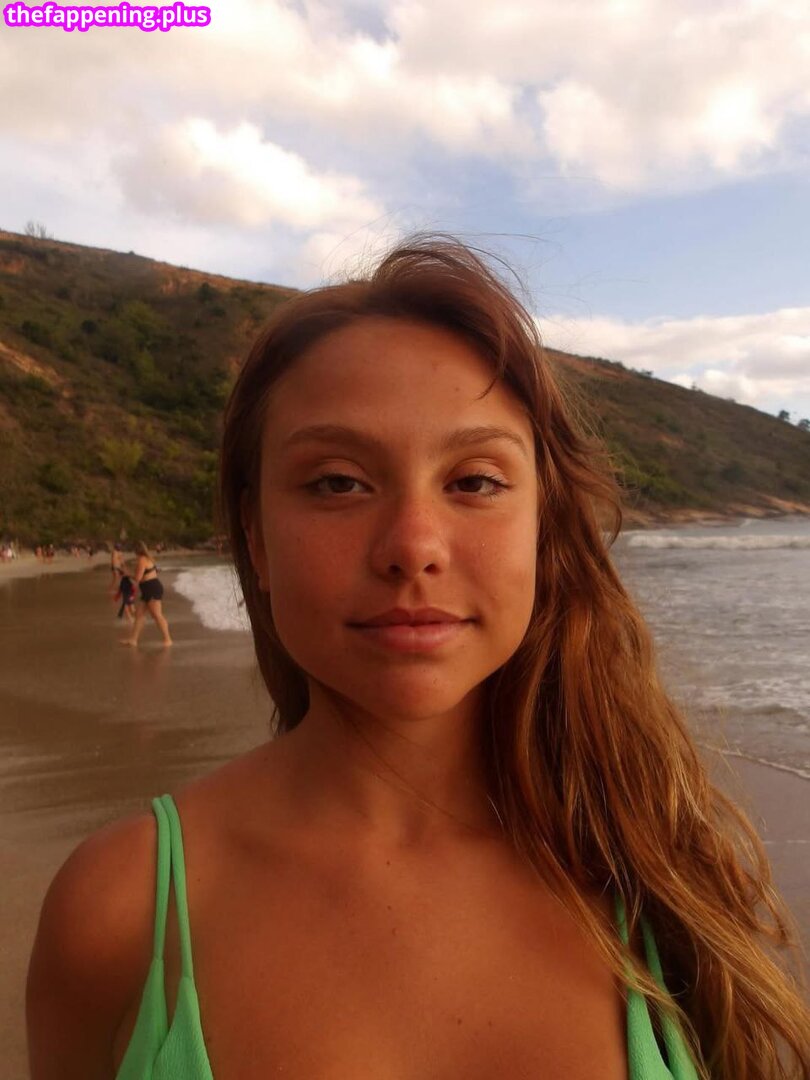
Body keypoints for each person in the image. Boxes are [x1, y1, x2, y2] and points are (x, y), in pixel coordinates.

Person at [26, 237, 808, 1079]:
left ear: (543, 527)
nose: (413, 547)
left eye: (474, 481)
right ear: (255, 537)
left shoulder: (658, 873)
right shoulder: (122, 911)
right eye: (338, 482)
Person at [119, 541, 172, 647]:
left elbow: (138, 578)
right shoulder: (147, 558)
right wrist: (128, 572)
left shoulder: (142, 560)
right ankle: (133, 640)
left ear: (136, 550)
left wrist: (127, 574)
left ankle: (168, 639)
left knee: (157, 615)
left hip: (152, 588)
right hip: (148, 589)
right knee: (139, 615)